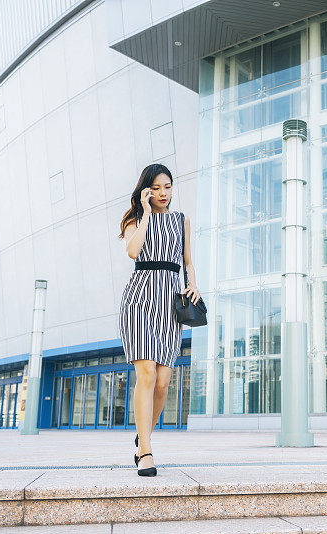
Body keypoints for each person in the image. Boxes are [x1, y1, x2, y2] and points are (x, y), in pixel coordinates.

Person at [117, 163, 201, 477]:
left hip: (170, 302)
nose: (163, 193)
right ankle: (146, 452)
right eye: (156, 188)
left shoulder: (182, 220)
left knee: (164, 383)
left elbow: (188, 261)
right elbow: (132, 251)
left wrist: (193, 283)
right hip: (138, 300)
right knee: (147, 374)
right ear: (145, 190)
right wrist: (146, 214)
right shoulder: (135, 219)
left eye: (168, 186)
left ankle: (143, 436)